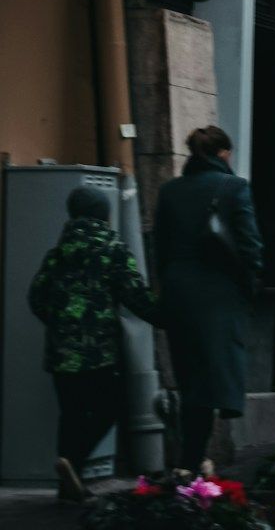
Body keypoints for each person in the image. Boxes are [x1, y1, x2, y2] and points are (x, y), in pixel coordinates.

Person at [29, 185, 160, 502]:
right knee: (109, 410)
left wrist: (60, 323)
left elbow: (36, 297)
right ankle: (72, 462)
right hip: (99, 351)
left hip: (61, 352)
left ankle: (67, 482)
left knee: (71, 414)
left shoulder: (58, 252)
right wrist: (168, 316)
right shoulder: (112, 247)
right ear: (104, 214)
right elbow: (136, 296)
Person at [153, 126, 262, 473]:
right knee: (214, 376)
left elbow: (160, 247)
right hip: (220, 293)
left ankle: (191, 459)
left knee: (190, 378)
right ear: (224, 154)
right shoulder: (234, 187)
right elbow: (250, 244)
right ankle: (193, 460)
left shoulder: (169, 191)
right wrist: (250, 284)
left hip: (179, 292)